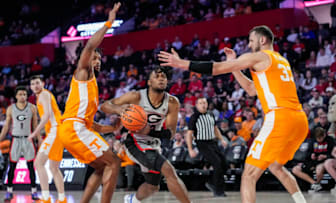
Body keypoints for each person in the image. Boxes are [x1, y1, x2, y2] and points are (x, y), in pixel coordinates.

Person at [158, 25, 309, 203]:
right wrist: (235, 65)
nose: (249, 45)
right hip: (299, 120)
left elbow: (218, 68)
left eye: (251, 41)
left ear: (262, 40)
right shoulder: (281, 60)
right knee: (276, 166)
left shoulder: (259, 56)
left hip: (279, 117)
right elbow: (251, 89)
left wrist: (182, 64)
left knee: (248, 175)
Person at [58, 3, 122, 203]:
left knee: (102, 166)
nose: (97, 60)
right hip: (72, 128)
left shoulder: (92, 90)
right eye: (95, 57)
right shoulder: (82, 73)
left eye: (99, 59)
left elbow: (92, 125)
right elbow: (89, 46)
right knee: (114, 162)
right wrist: (109, 21)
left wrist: (112, 127)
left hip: (75, 128)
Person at [100, 66, 191, 203]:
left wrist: (149, 131)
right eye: (157, 76)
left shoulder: (172, 103)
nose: (161, 79)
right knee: (169, 171)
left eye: (164, 77)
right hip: (134, 142)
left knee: (152, 187)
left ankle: (132, 200)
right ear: (149, 82)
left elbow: (170, 134)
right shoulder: (136, 96)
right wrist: (118, 109)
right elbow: (105, 106)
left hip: (153, 144)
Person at [28, 75, 66, 203]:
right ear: (30, 87)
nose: (35, 86)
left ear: (43, 83)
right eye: (33, 84)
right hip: (56, 131)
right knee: (54, 168)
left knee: (39, 163)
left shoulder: (43, 94)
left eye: (37, 83)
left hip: (55, 131)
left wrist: (34, 134)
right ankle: (61, 199)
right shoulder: (43, 95)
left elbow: (46, 117)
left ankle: (46, 198)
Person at [0, 86, 41, 201]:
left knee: (31, 167)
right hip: (15, 140)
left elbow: (35, 126)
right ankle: (9, 191)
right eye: (20, 94)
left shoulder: (32, 108)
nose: (23, 96)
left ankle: (34, 191)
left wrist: (40, 140)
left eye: (25, 94)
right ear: (16, 96)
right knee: (12, 167)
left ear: (27, 96)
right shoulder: (10, 109)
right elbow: (6, 127)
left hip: (28, 139)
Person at [186, 97, 228, 197]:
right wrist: (190, 149)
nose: (203, 105)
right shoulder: (194, 117)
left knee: (224, 163)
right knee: (217, 163)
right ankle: (218, 191)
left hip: (212, 142)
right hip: (202, 143)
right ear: (197, 105)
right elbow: (189, 134)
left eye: (204, 102)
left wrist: (221, 139)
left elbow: (215, 128)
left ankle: (212, 182)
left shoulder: (211, 114)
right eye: (200, 103)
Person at [291, 127, 334, 192]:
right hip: (312, 161)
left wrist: (325, 156)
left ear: (324, 135)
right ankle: (315, 184)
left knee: (319, 169)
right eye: (317, 138)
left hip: (324, 161)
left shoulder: (330, 140)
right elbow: (308, 153)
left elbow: (333, 153)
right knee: (295, 169)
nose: (319, 140)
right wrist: (311, 155)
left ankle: (316, 185)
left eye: (320, 138)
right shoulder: (312, 141)